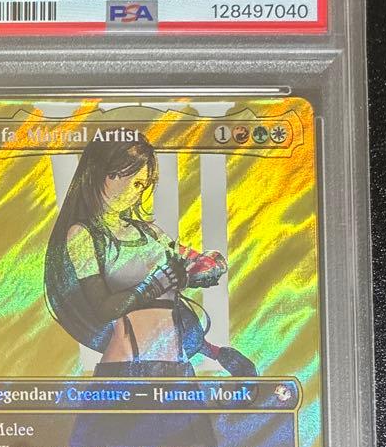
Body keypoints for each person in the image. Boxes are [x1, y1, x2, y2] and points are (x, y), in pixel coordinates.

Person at [44, 135, 254, 378]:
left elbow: (201, 264)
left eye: (138, 184)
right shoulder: (83, 234)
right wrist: (157, 283)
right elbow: (104, 308)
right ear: (94, 173)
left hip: (177, 370)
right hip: (124, 372)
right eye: (117, 175)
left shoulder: (150, 233)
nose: (126, 190)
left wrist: (202, 269)